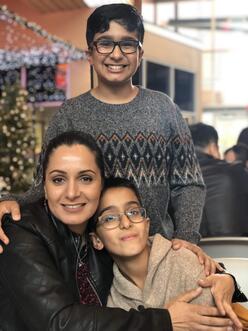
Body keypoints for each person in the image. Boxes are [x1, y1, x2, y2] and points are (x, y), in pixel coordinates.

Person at [0, 3, 205, 254]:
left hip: (157, 255)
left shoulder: (164, 108)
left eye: (128, 44)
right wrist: (8, 200)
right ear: (90, 54)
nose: (116, 55)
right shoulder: (69, 115)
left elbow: (188, 183)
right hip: (90, 257)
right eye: (105, 43)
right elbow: (43, 187)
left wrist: (186, 237)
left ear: (140, 55)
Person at [0, 131, 240, 331]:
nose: (72, 192)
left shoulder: (101, 236)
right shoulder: (21, 230)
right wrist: (164, 320)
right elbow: (59, 323)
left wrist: (226, 278)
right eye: (58, 179)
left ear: (100, 184)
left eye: (85, 178)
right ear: (43, 185)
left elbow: (153, 255)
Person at [89, 177, 246, 324]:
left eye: (133, 212)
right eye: (110, 218)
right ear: (97, 240)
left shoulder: (185, 264)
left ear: (146, 224)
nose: (125, 223)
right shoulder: (111, 298)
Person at [190, 122, 248, 237]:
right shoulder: (237, 173)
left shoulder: (175, 178)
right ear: (213, 147)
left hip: (193, 252)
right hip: (238, 251)